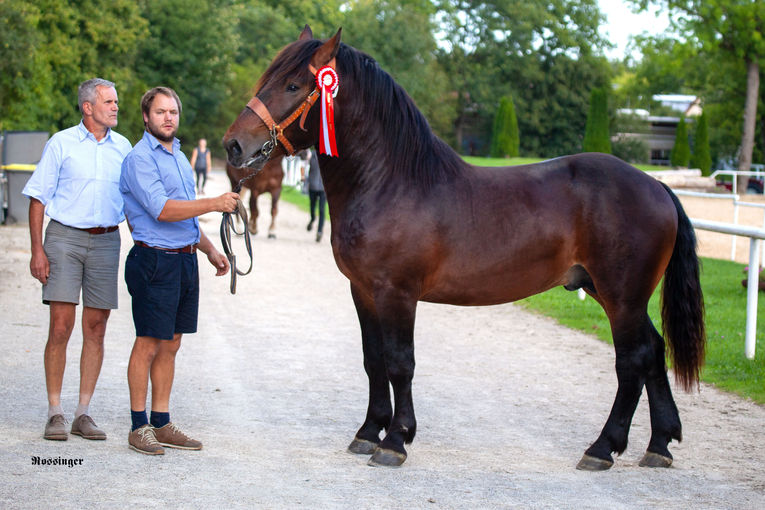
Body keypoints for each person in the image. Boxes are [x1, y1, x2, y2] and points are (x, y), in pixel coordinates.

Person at [120, 86, 239, 455]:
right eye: (160, 112)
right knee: (149, 342)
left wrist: (209, 250)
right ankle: (139, 426)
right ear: (146, 116)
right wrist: (216, 202)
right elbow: (163, 209)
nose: (168, 117)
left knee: (172, 344)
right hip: (154, 259)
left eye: (173, 111)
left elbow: (185, 214)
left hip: (184, 259)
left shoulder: (179, 157)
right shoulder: (140, 158)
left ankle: (161, 421)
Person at [22, 78, 132, 442]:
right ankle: (55, 411)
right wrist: (37, 250)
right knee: (61, 326)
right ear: (88, 107)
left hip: (106, 241)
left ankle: (83, 413)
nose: (116, 107)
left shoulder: (123, 147)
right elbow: (38, 198)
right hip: (64, 238)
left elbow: (135, 201)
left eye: (116, 102)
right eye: (109, 102)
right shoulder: (61, 143)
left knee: (97, 327)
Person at [304, 150, 326, 242]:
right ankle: (312, 219)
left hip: (323, 187)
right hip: (312, 186)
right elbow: (304, 161)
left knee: (322, 209)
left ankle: (320, 231)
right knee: (312, 207)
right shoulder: (312, 154)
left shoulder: (327, 154)